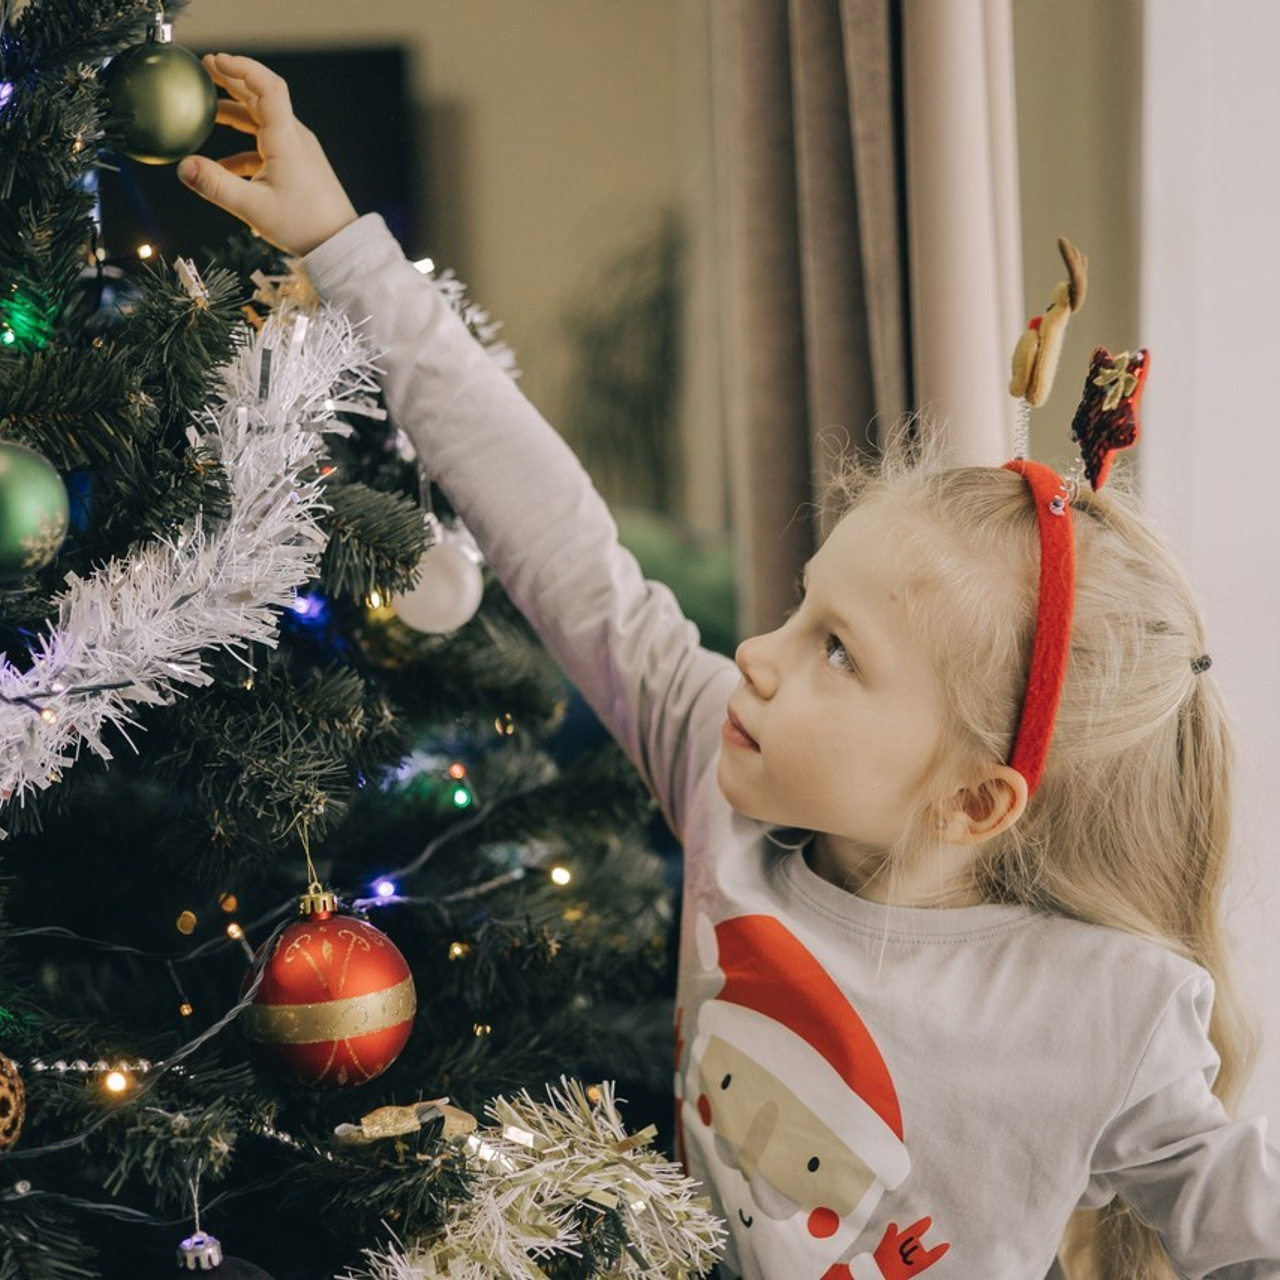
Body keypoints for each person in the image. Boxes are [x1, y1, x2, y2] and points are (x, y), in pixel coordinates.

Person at [178, 54, 1280, 1280]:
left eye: (835, 652)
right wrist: (344, 247)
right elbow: (562, 547)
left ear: (972, 799)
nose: (755, 654)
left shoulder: (1105, 1011)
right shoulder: (725, 779)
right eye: (803, 608)